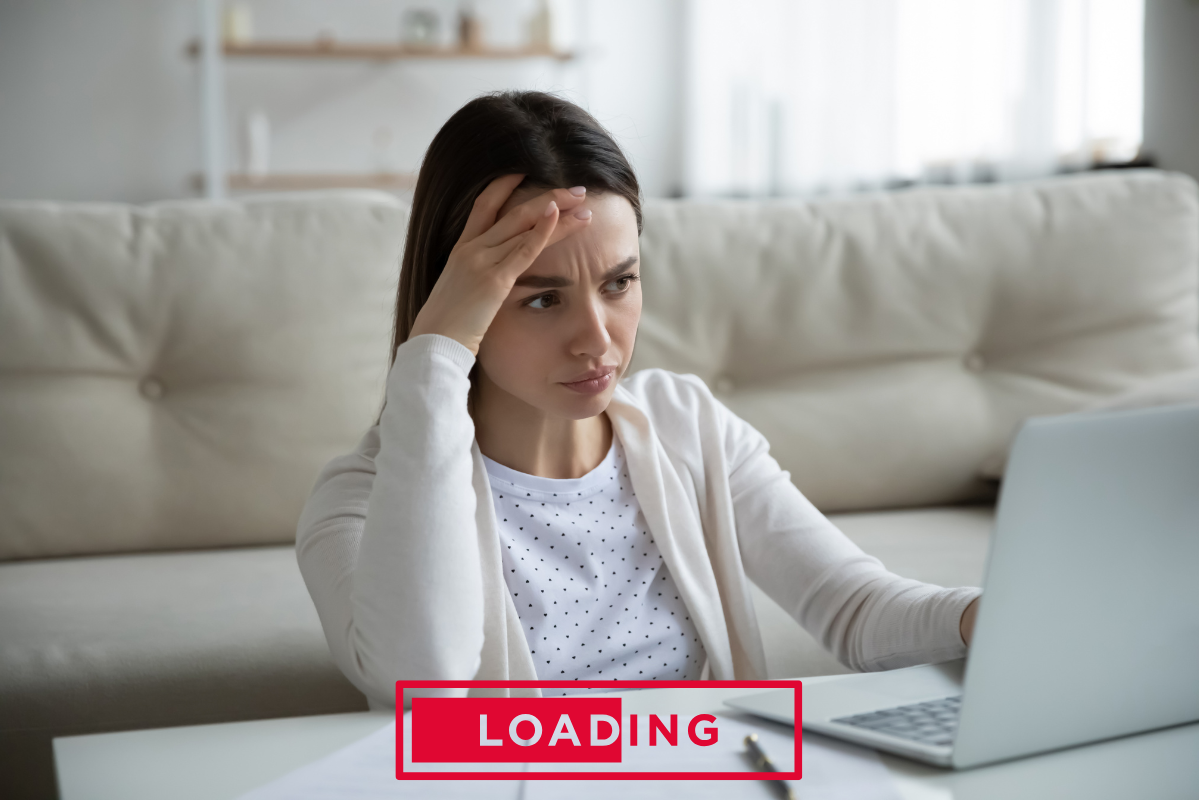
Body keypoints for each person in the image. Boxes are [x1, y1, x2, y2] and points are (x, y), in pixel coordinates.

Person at [296, 91, 981, 710]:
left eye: (619, 284)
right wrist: (436, 350)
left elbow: (855, 608)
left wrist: (985, 616)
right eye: (541, 298)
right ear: (459, 301)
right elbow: (425, 685)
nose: (597, 340)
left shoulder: (685, 424)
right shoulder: (357, 501)